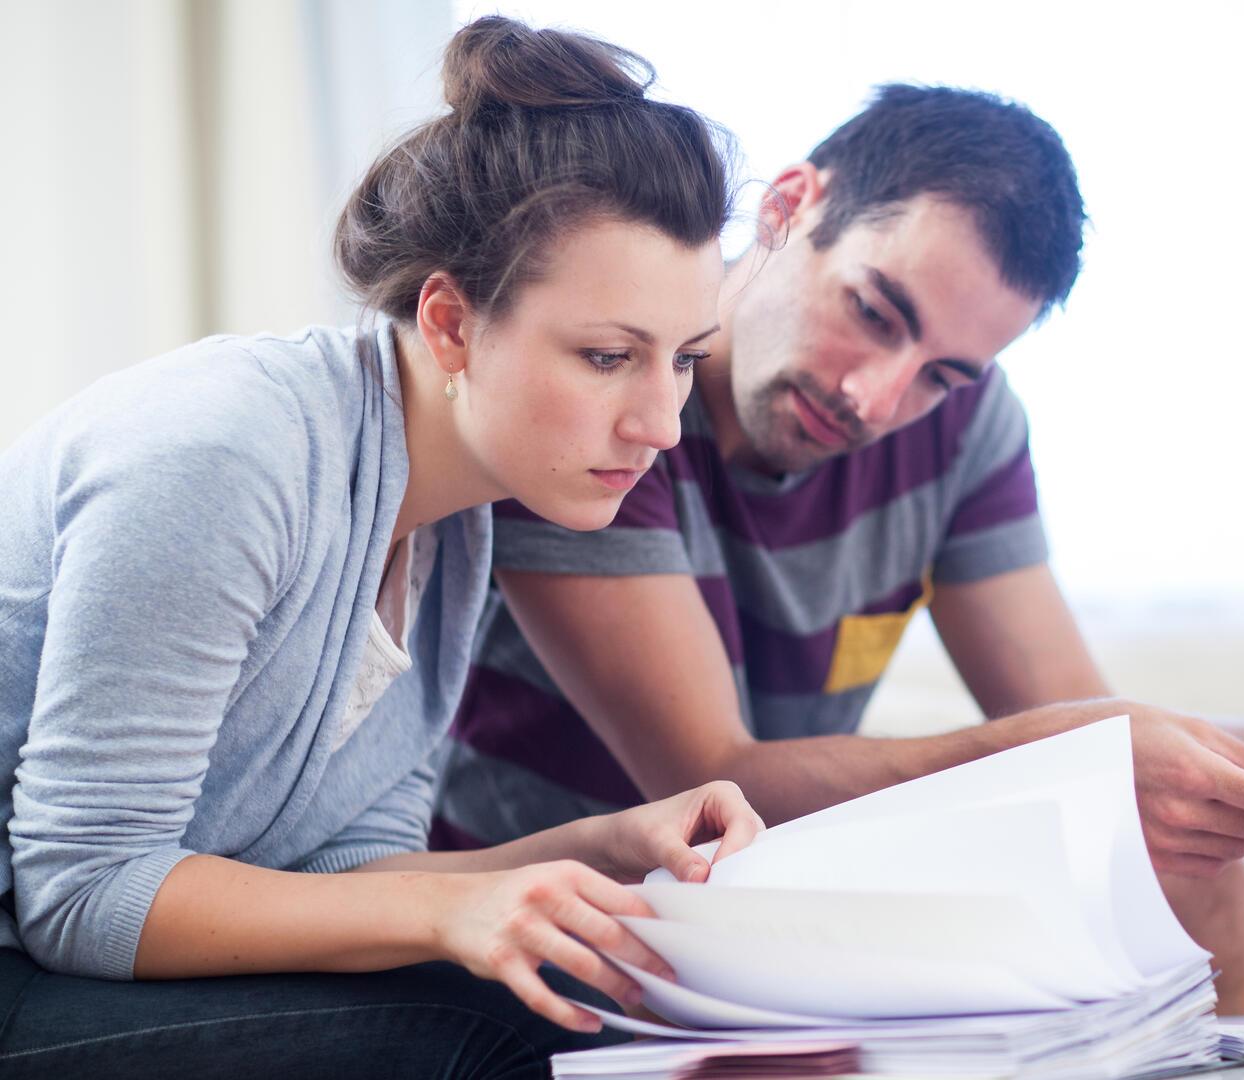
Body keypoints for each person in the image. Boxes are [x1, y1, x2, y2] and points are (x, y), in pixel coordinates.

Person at [433, 84, 1244, 1014]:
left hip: (774, 894)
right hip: (570, 908)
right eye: (872, 308)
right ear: (788, 205)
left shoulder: (961, 421)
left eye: (946, 373)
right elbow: (712, 775)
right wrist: (1077, 750)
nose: (876, 396)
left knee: (1181, 872)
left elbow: (1094, 735)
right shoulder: (622, 402)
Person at [0, 18, 766, 1079]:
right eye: (605, 357)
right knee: (492, 1042)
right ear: (450, 323)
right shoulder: (222, 456)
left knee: (629, 1003)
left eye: (682, 360)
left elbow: (351, 870)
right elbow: (80, 892)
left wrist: (599, 846)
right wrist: (451, 912)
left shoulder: (451, 513)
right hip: (30, 952)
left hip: (94, 960)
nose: (663, 423)